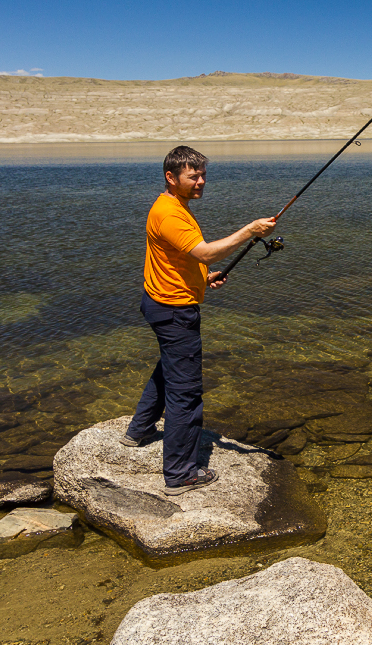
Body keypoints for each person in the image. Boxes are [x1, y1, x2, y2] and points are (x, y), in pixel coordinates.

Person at [121, 145, 276, 496]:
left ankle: (139, 430)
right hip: (174, 310)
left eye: (203, 175)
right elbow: (204, 251)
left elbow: (180, 258)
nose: (201, 182)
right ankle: (180, 474)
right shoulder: (170, 213)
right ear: (171, 177)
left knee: (170, 367)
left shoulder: (174, 206)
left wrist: (202, 277)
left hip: (160, 300)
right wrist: (250, 231)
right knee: (186, 393)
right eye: (193, 176)